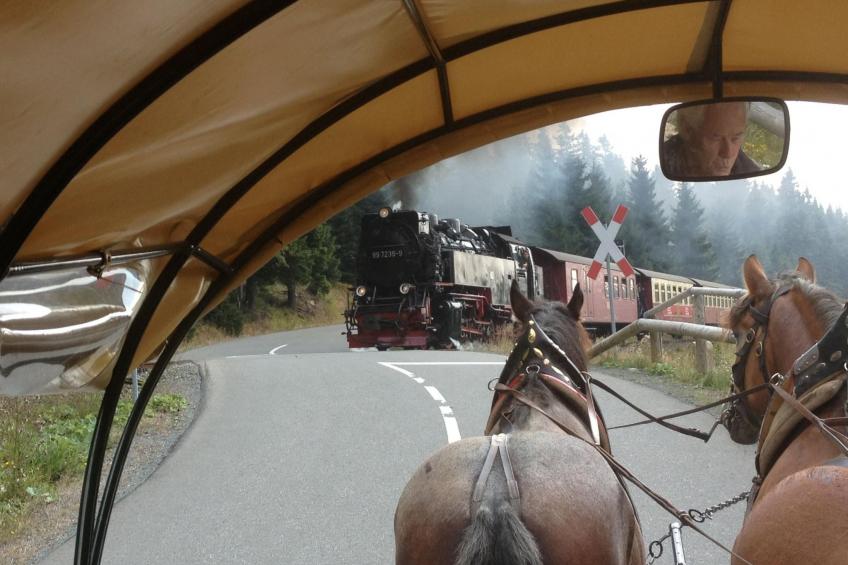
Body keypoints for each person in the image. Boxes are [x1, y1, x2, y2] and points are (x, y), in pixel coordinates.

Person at [662, 101, 760, 177]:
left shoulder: (750, 173)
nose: (728, 153)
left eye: (735, 138)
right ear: (687, 130)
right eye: (716, 138)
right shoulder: (661, 165)